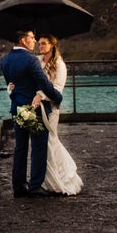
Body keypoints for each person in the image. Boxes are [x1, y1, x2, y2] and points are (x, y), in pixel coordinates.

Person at [1, 29, 62, 198]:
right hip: (33, 109)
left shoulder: (5, 60)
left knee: (20, 147)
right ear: (22, 40)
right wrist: (58, 97)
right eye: (32, 37)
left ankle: (18, 186)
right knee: (38, 145)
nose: (34, 41)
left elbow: (12, 85)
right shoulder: (31, 60)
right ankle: (35, 186)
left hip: (17, 108)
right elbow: (43, 83)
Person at [33, 35, 83, 195]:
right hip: (36, 105)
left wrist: (41, 95)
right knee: (43, 143)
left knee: (50, 141)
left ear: (52, 45)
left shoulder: (60, 65)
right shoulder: (38, 61)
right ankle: (44, 179)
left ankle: (58, 179)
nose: (40, 46)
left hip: (51, 107)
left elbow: (58, 88)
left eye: (44, 44)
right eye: (39, 44)